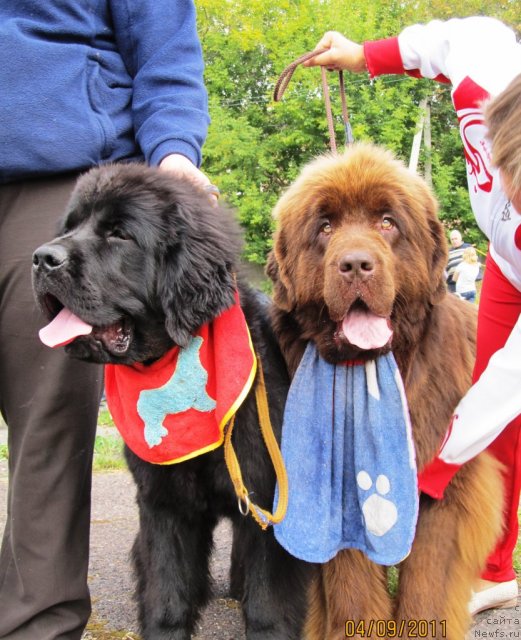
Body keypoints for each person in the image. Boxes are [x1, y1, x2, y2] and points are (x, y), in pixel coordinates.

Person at [0, 2, 214, 639]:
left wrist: (173, 153)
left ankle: (37, 626)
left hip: (60, 176)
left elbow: (165, 52)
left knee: (47, 420)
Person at [304, 16, 521, 614]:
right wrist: (359, 54)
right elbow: (439, 40)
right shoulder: (490, 58)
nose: (355, 257)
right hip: (505, 259)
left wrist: (441, 462)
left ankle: (490, 569)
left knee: (490, 420)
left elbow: (511, 378)